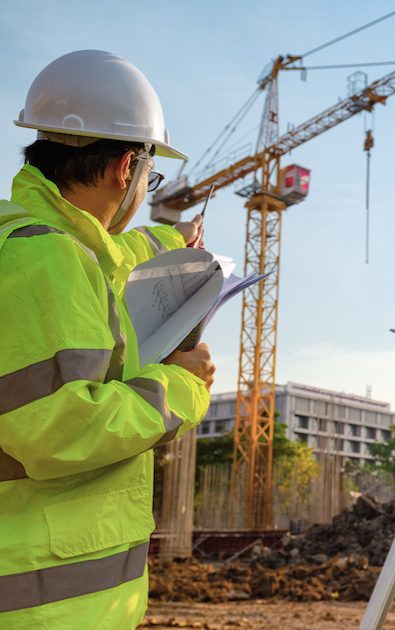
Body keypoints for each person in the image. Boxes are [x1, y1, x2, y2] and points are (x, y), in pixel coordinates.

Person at [0, 50, 215, 629]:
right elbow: (59, 430)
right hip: (40, 609)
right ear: (127, 168)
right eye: (152, 176)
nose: (148, 189)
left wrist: (175, 244)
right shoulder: (46, 260)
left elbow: (117, 255)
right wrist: (182, 385)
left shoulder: (55, 247)